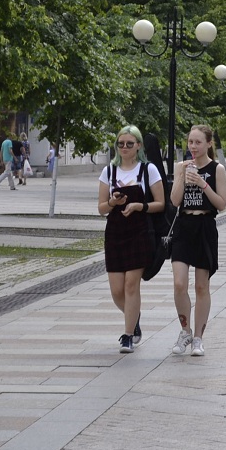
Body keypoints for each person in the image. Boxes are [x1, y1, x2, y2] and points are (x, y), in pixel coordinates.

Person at [98, 125, 165, 354]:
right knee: (117, 290)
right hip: (115, 233)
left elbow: (161, 204)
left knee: (130, 285)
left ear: (138, 145)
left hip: (139, 232)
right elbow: (101, 208)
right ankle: (133, 317)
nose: (124, 147)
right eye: (120, 144)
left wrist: (139, 206)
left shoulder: (148, 170)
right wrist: (113, 203)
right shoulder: (109, 171)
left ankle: (128, 336)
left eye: (129, 143)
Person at [170, 124, 226, 357]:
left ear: (209, 144)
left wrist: (203, 184)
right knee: (179, 283)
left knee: (201, 286)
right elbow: (174, 201)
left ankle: (198, 339)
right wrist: (182, 177)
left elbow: (222, 204)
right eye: (190, 142)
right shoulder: (181, 167)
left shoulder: (217, 169)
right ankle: (185, 331)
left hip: (205, 227)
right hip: (184, 226)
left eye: (198, 142)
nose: (193, 146)